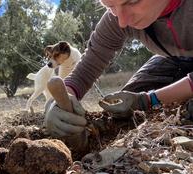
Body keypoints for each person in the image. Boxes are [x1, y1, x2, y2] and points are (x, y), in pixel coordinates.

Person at [45, 0, 193, 137]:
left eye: (133, 1)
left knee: (188, 111)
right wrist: (60, 100)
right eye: (110, 6)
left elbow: (146, 100)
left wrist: (148, 99)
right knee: (125, 112)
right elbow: (88, 66)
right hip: (173, 59)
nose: (122, 21)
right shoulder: (117, 17)